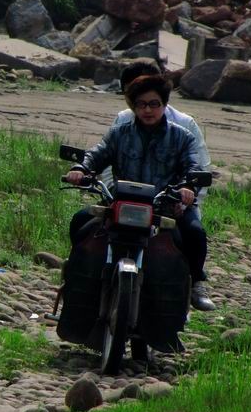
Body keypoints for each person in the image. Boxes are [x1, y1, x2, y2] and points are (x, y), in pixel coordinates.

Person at [66, 74, 215, 312]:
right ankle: (75, 278)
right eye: (141, 104)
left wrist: (188, 187)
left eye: (154, 103)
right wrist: (80, 169)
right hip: (121, 203)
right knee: (81, 222)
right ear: (133, 107)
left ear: (164, 105)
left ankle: (196, 284)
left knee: (195, 234)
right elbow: (97, 153)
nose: (148, 110)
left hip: (165, 206)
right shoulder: (119, 133)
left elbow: (194, 166)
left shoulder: (182, 137)